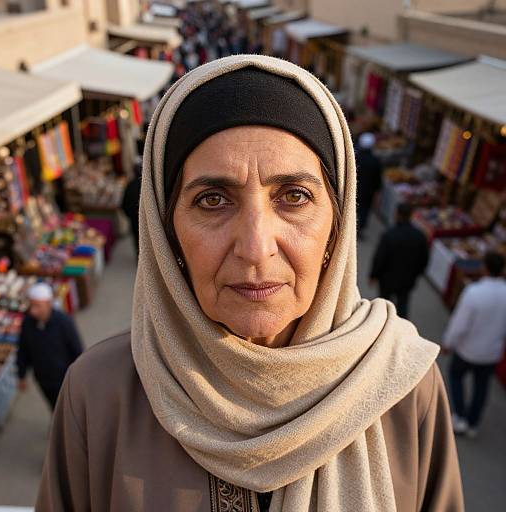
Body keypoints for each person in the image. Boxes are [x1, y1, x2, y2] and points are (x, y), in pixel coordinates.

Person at [36, 56, 463, 511]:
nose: (256, 247)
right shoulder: (101, 394)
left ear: (336, 228)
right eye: (213, 199)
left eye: (294, 197)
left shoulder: (402, 385)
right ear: (166, 232)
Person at [443, 251, 506, 438]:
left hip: (467, 349)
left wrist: (448, 342)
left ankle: (460, 415)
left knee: (456, 376)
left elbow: (459, 323)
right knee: (481, 387)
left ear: (484, 268)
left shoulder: (474, 292)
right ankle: (472, 422)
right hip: (491, 351)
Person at [17, 283, 83, 410]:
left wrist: (79, 377)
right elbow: (23, 350)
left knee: (71, 408)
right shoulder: (27, 323)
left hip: (65, 379)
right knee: (55, 407)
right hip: (43, 379)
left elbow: (77, 350)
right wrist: (21, 375)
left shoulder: (64, 323)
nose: (33, 311)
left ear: (48, 303)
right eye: (32, 305)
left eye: (38, 306)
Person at [369, 202, 429, 319]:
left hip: (387, 279)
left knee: (384, 306)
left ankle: (382, 326)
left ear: (397, 214)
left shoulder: (389, 235)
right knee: (403, 305)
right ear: (411, 215)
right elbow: (424, 259)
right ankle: (400, 328)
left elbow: (380, 257)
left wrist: (374, 275)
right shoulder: (419, 236)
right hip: (407, 279)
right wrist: (416, 274)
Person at [355, 132, 382, 237]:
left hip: (356, 188)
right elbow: (378, 180)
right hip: (368, 191)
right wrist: (377, 193)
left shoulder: (355, 157)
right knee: (364, 210)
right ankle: (359, 229)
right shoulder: (375, 161)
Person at [121, 162, 142, 257]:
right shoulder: (146, 185)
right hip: (144, 218)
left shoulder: (129, 185)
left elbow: (124, 203)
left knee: (136, 237)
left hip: (134, 217)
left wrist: (129, 215)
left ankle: (139, 256)